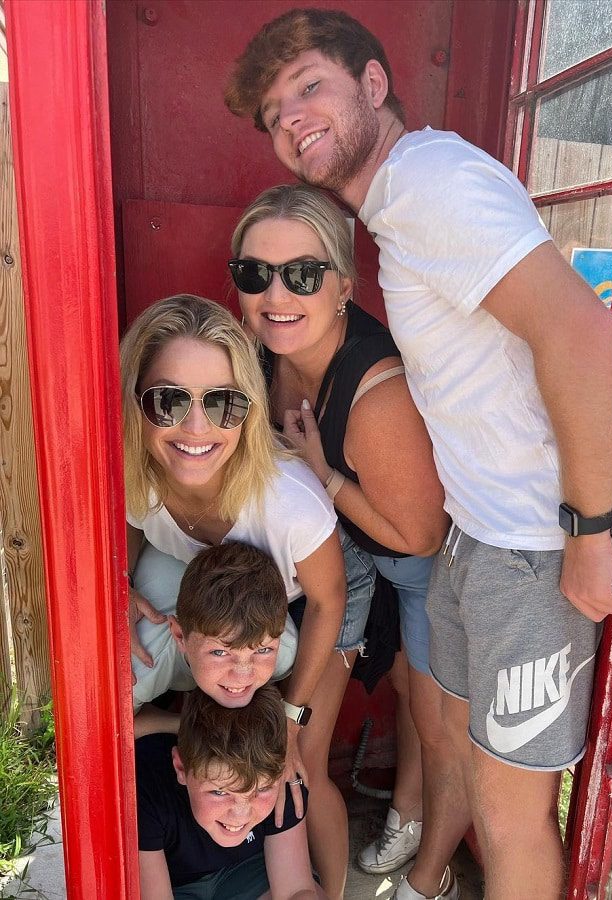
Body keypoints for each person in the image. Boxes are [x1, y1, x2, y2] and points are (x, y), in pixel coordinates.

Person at [225, 11, 612, 900]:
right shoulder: (397, 204)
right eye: (273, 113)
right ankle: (428, 875)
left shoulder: (427, 183)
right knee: (446, 736)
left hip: (532, 541)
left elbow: (578, 330)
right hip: (474, 537)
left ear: (373, 85)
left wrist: (589, 528)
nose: (292, 118)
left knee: (512, 813)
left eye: (310, 87)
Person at [230, 184, 456, 894]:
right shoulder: (257, 356)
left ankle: (424, 851)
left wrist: (323, 472)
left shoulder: (376, 392)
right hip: (349, 554)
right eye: (254, 273)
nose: (275, 293)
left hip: (416, 565)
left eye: (301, 274)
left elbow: (419, 538)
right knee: (393, 679)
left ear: (342, 288)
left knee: (429, 708)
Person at [120, 294, 353, 897]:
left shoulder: (289, 503)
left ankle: (325, 882)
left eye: (222, 403)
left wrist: (294, 720)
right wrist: (114, 590)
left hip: (315, 600)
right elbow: (126, 522)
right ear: (136, 404)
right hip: (208, 586)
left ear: (247, 411)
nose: (197, 429)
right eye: (169, 401)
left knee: (306, 767)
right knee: (124, 668)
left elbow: (330, 602)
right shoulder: (132, 472)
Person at [136, 684, 325, 899]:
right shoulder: (149, 788)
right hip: (173, 884)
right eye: (219, 792)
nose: (240, 814)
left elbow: (296, 889)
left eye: (261, 790)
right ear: (181, 768)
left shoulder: (279, 778)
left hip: (249, 870)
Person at [132, 540, 297, 735]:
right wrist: (188, 725)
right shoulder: (142, 668)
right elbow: (112, 730)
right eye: (220, 652)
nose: (242, 675)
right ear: (179, 635)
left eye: (262, 650)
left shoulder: (284, 648)